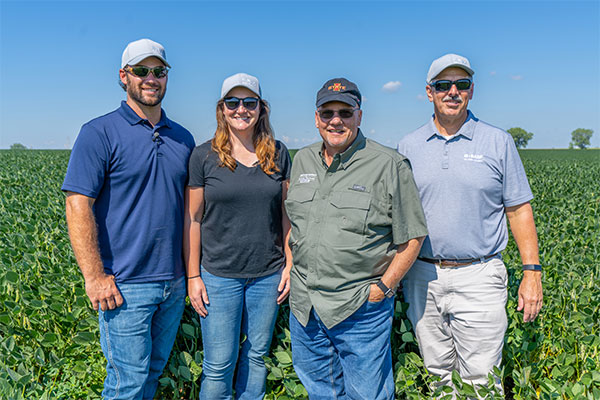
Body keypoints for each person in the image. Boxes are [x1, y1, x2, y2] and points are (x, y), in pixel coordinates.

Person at [397, 53, 544, 393]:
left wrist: (531, 271)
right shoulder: (408, 146)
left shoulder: (497, 141)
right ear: (429, 92)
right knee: (436, 376)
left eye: (461, 84)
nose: (452, 91)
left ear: (472, 91)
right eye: (443, 85)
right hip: (423, 276)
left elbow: (519, 209)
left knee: (482, 377)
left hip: (480, 274)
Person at [62, 38, 195, 399]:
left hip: (173, 282)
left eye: (159, 71)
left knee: (151, 374)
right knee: (127, 383)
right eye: (141, 71)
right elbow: (77, 205)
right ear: (124, 77)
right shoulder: (98, 132)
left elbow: (190, 211)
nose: (151, 78)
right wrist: (94, 277)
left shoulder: (182, 138)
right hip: (124, 285)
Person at [285, 78, 428, 399]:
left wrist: (382, 288)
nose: (336, 120)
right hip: (306, 307)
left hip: (359, 307)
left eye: (345, 112)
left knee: (368, 394)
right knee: (321, 392)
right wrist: (291, 267)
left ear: (359, 116)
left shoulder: (388, 164)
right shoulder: (303, 160)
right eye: (327, 113)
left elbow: (413, 236)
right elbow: (294, 222)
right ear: (317, 117)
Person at [184, 72, 292, 400]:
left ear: (261, 108)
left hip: (267, 274)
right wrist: (193, 275)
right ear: (222, 109)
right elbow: (193, 218)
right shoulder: (204, 156)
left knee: (257, 357)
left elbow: (287, 216)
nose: (241, 109)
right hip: (218, 275)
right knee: (218, 364)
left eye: (249, 102)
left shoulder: (278, 153)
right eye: (233, 102)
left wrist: (289, 265)